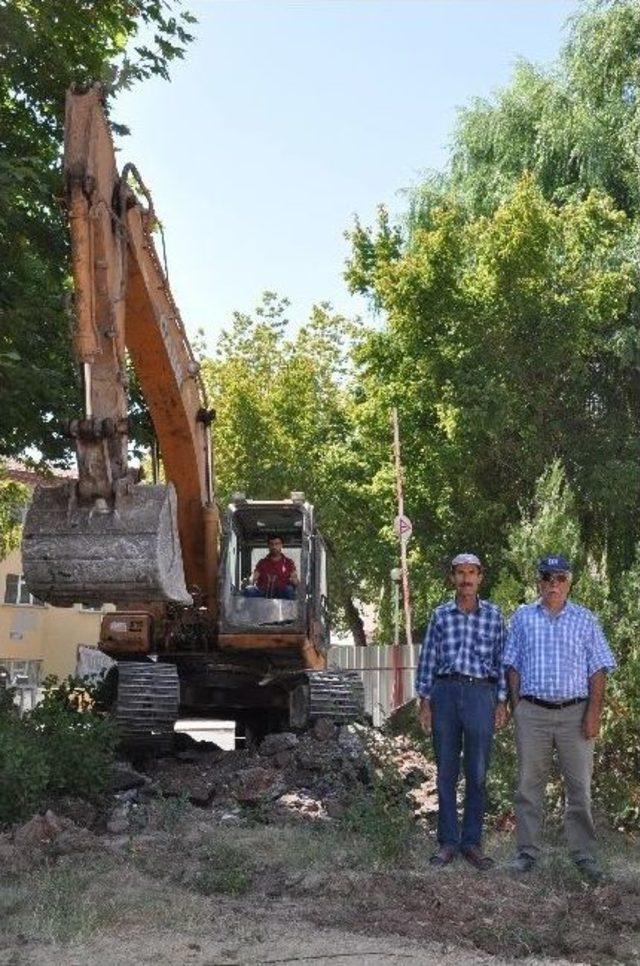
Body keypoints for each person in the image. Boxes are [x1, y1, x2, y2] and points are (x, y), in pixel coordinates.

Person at [503, 554, 616, 882]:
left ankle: (582, 854)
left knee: (579, 786)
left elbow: (598, 669)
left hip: (575, 714)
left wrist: (593, 713)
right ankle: (527, 853)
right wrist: (517, 707)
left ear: (569, 582)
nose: (553, 584)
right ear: (538, 581)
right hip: (533, 713)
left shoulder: (585, 619)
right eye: (547, 577)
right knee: (528, 785)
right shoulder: (523, 618)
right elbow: (512, 666)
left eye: (560, 578)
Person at [416, 553, 508, 870]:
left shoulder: (494, 616)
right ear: (453, 578)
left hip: (481, 694)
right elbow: (428, 658)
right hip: (444, 693)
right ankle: (447, 842)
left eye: (471, 573)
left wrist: (501, 701)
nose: (466, 579)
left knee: (478, 773)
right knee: (445, 772)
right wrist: (424, 701)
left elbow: (501, 662)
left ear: (480, 577)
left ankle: (471, 842)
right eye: (460, 573)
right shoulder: (441, 615)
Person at [243, 535, 299, 600]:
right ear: (268, 546)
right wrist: (249, 581)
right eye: (271, 544)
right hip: (264, 591)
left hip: (281, 591)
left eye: (277, 544)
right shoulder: (262, 562)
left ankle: (291, 610)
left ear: (281, 545)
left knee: (289, 590)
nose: (274, 547)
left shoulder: (288, 562)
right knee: (249, 591)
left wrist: (296, 582)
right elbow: (254, 577)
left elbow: (294, 578)